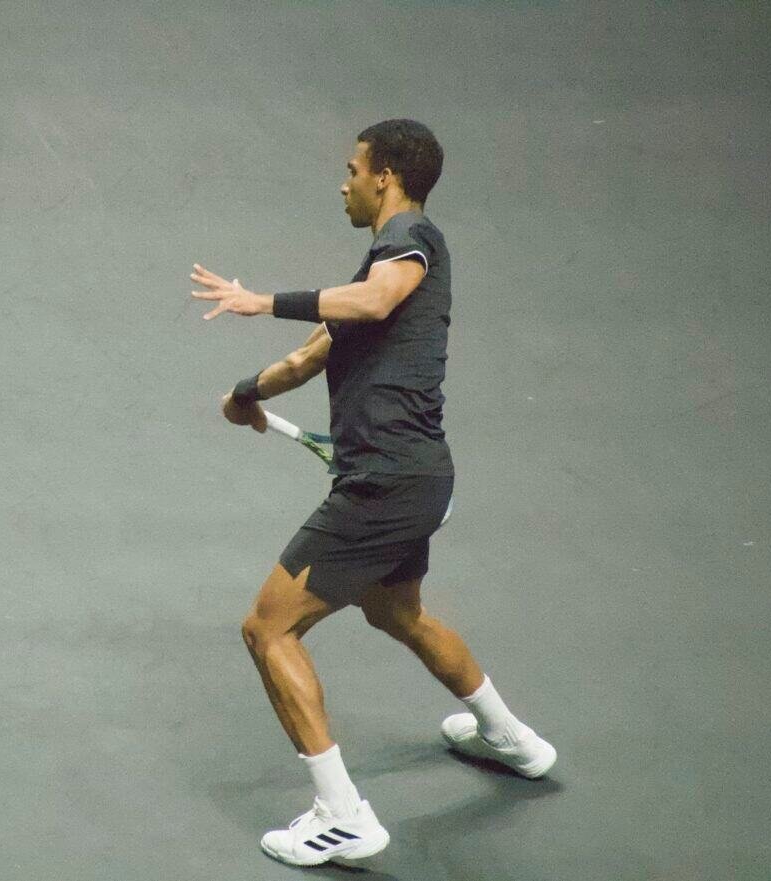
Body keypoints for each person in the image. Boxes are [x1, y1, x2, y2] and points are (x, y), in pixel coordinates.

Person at [191, 119, 556, 868]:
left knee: (267, 629)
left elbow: (376, 300)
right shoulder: (375, 273)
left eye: (353, 167)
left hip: (383, 482)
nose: (344, 180)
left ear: (385, 175)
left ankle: (341, 813)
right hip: (415, 477)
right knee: (399, 612)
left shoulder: (412, 243)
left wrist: (262, 299)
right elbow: (318, 348)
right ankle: (510, 736)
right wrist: (245, 392)